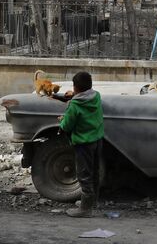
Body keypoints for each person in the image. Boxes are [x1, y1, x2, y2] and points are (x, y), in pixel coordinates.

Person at [58, 71, 104, 218]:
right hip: (97, 139)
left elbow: (67, 126)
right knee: (94, 171)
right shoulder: (96, 96)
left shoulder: (74, 105)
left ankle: (85, 209)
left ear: (75, 87)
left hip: (83, 143)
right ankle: (93, 202)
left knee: (84, 175)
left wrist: (61, 120)